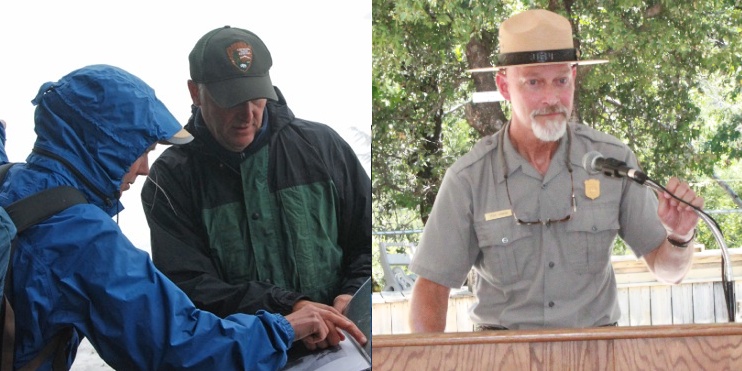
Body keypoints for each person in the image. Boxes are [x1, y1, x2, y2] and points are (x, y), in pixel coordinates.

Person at [0, 64, 365, 370]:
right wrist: (284, 329)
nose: (144, 169)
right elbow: (178, 348)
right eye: (139, 151)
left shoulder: (9, 180)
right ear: (103, 147)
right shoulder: (82, 238)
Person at [408, 9, 704, 332]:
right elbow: (431, 289)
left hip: (596, 355)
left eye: (561, 81)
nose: (551, 98)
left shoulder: (613, 163)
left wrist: (679, 236)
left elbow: (669, 271)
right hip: (502, 357)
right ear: (504, 86)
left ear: (574, 78)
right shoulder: (469, 179)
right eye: (534, 82)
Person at [141, 26, 371, 350]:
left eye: (255, 96)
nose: (247, 114)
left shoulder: (324, 147)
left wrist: (355, 292)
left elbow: (365, 242)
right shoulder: (170, 179)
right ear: (195, 92)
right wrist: (287, 309)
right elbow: (189, 289)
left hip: (342, 351)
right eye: (231, 100)